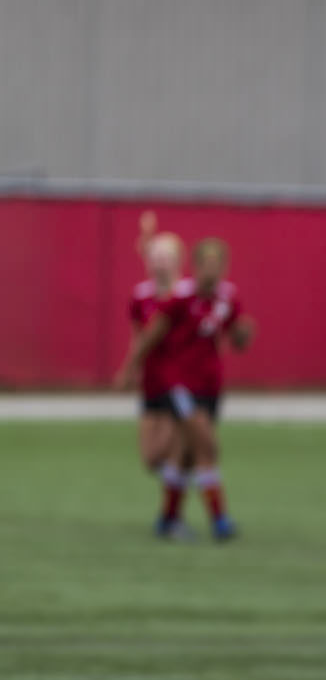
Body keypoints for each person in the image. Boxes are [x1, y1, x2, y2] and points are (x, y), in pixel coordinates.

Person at [167, 238, 255, 540]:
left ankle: (168, 517)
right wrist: (134, 368)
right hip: (180, 383)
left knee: (187, 453)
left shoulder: (227, 298)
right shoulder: (181, 297)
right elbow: (157, 331)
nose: (212, 270)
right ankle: (219, 519)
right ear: (195, 266)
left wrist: (244, 334)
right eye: (206, 264)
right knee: (207, 445)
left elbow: (236, 339)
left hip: (210, 384)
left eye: (218, 264)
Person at [114, 227, 198, 539]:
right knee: (151, 457)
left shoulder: (188, 294)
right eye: (154, 257)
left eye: (165, 257)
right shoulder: (141, 296)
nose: (159, 263)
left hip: (182, 382)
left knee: (176, 449)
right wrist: (131, 368)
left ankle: (172, 514)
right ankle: (180, 485)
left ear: (179, 261)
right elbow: (139, 336)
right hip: (152, 381)